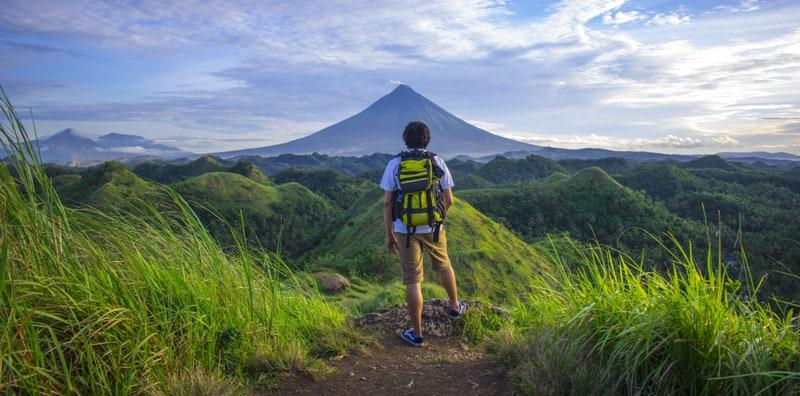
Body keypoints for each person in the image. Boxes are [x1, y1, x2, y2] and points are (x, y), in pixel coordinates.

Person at [379, 121, 466, 347]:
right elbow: (449, 200)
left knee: (412, 280)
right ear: (427, 139)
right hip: (434, 228)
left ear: (405, 139)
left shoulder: (395, 163)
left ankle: (417, 334)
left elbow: (387, 203)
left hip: (404, 229)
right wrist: (436, 219)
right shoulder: (437, 161)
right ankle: (455, 307)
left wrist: (389, 234)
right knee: (444, 266)